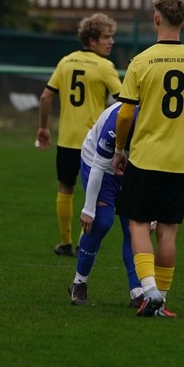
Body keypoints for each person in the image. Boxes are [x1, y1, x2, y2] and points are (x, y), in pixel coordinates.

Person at [112, 0, 184, 318]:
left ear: (156, 18)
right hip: (182, 160)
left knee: (139, 223)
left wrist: (119, 149)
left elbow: (126, 113)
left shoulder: (141, 61)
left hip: (145, 157)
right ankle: (161, 301)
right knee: (169, 230)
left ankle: (149, 292)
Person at [36, 13, 122, 256]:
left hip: (66, 140)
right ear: (92, 40)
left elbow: (45, 97)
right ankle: (83, 247)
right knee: (92, 197)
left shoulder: (66, 61)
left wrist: (43, 127)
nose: (111, 42)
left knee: (65, 188)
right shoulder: (105, 67)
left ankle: (64, 243)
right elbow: (124, 102)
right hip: (95, 145)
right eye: (107, 37)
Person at [68, 101, 144, 307]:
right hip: (96, 162)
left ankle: (137, 290)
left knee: (135, 228)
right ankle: (79, 282)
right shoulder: (117, 122)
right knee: (101, 222)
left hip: (132, 169)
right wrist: (88, 209)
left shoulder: (157, 121)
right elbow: (99, 166)